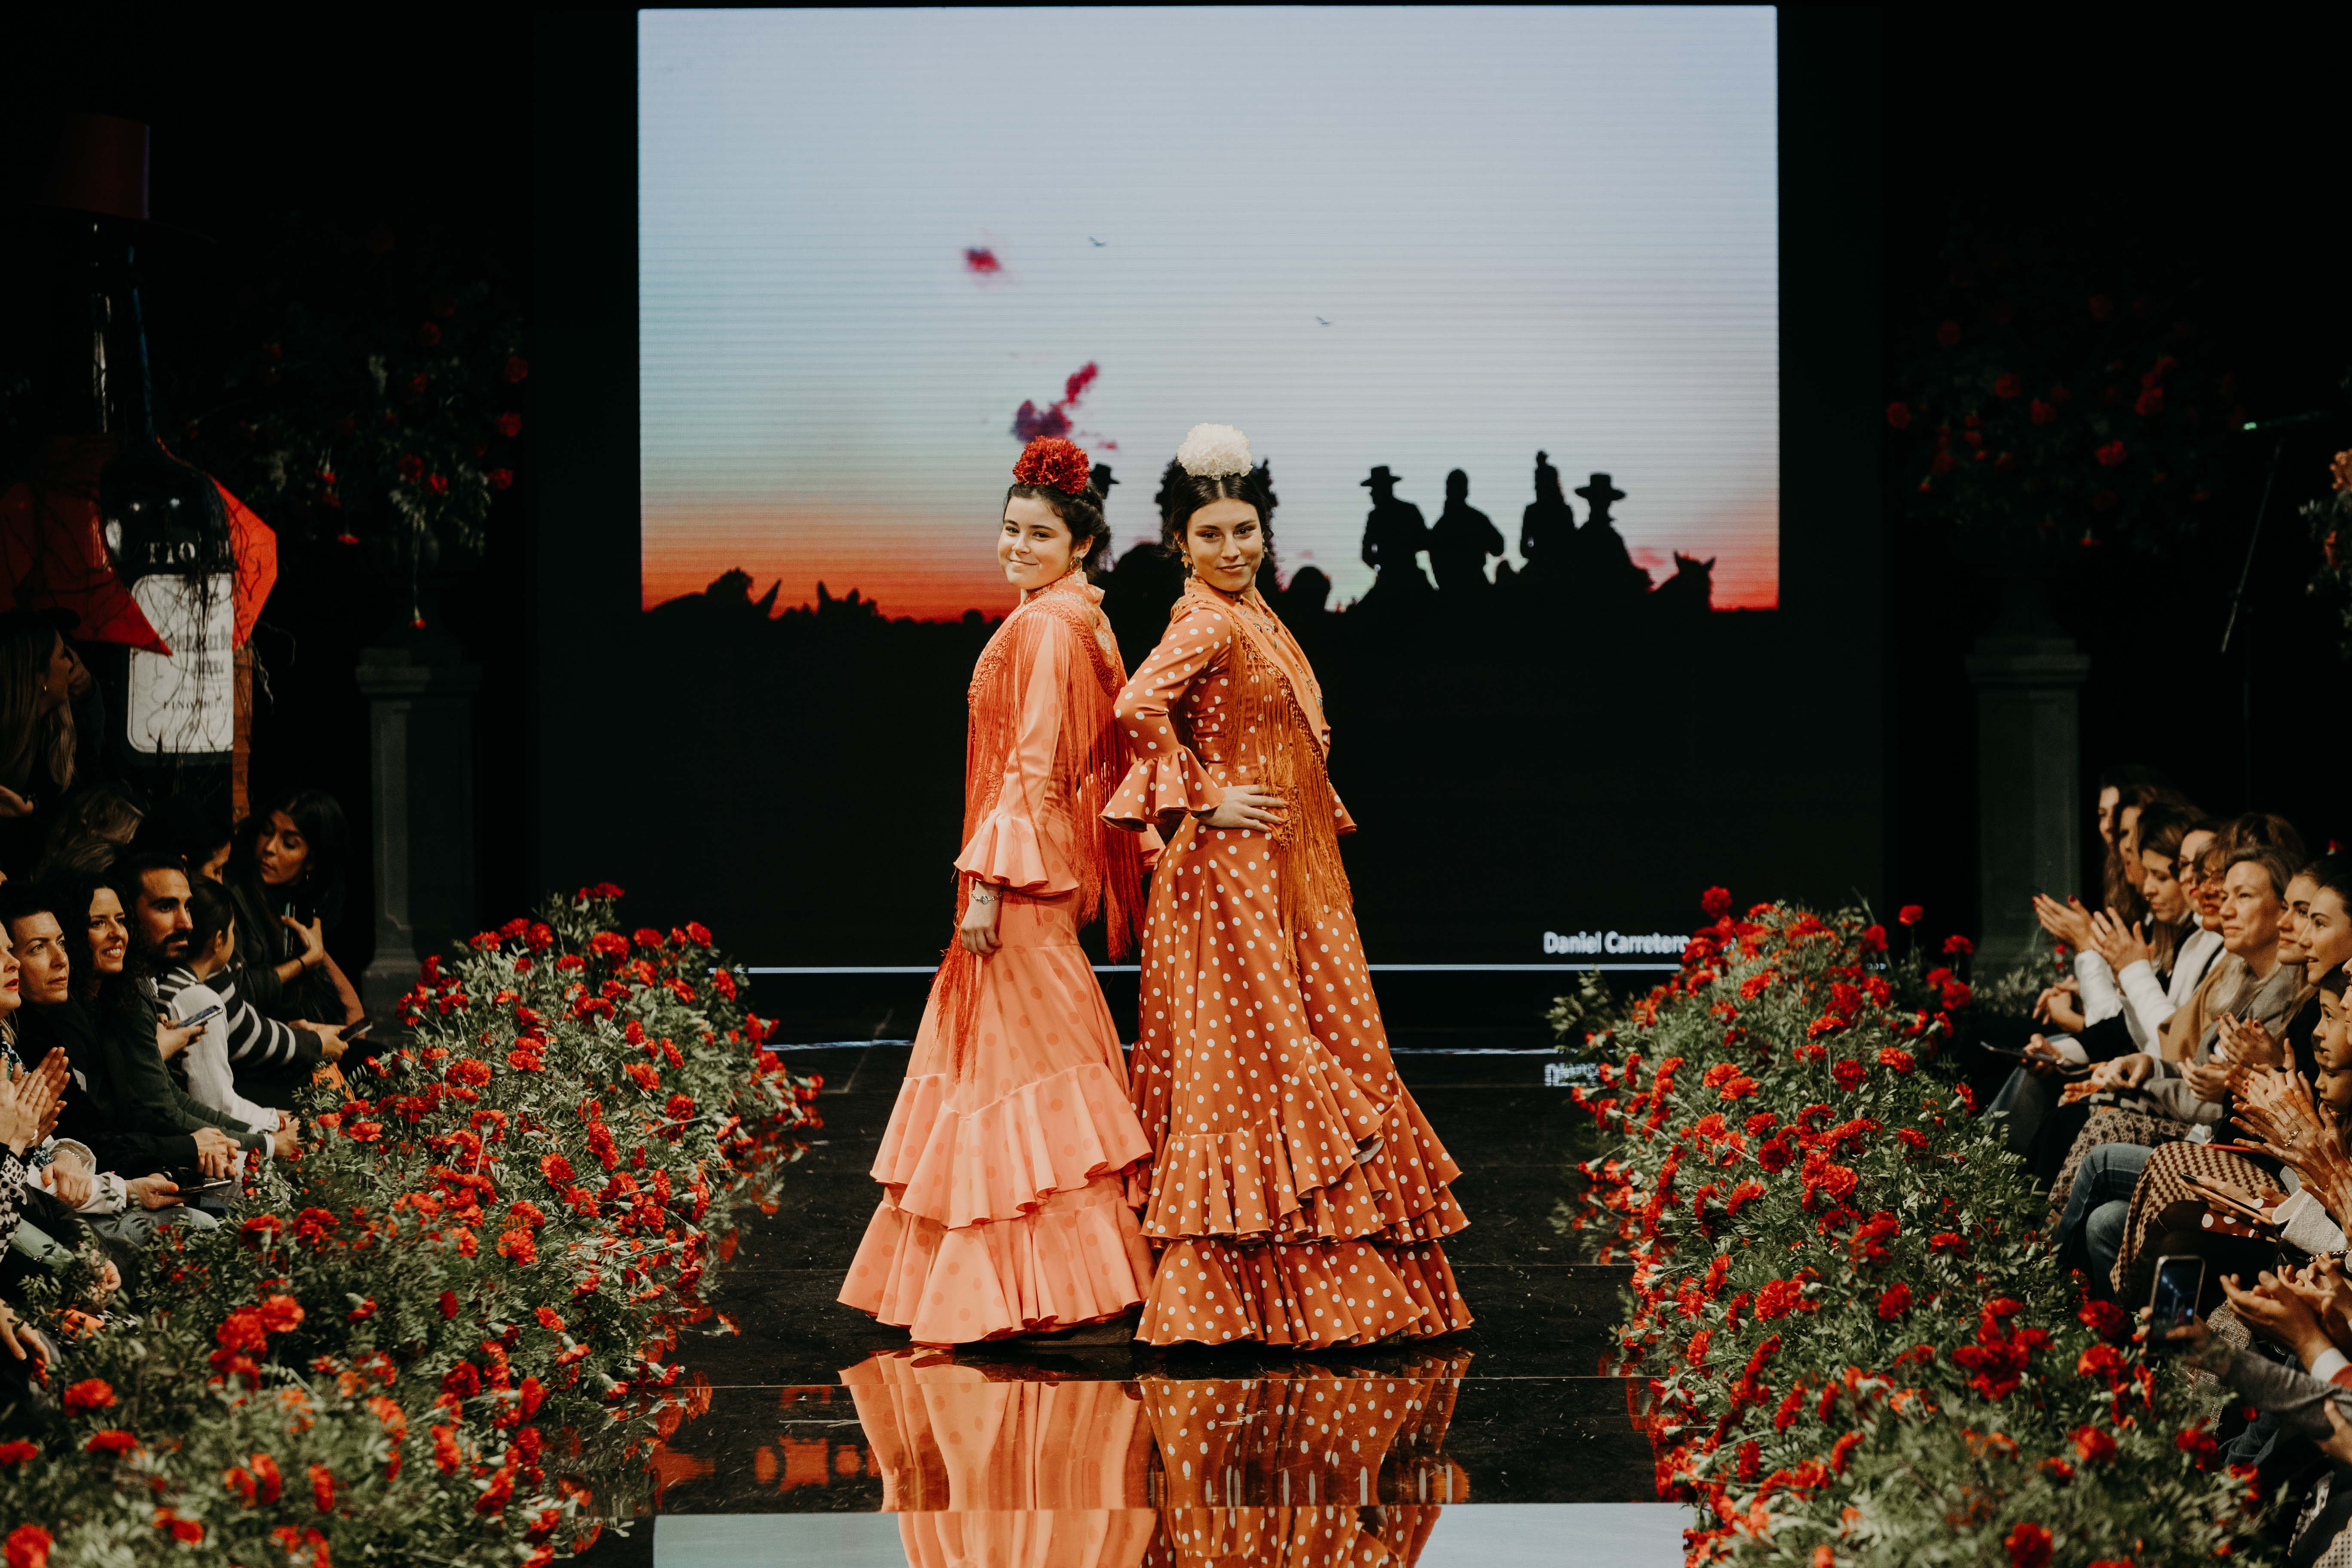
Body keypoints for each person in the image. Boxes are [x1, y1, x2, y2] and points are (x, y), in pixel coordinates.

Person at [1105, 421, 1471, 1349]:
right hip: (1235, 881)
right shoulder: (1204, 617)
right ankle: (1251, 1297)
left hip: (1289, 871)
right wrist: (1206, 797)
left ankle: (1310, 1285)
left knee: (1320, 1053)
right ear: (1181, 544)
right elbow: (1136, 704)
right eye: (1212, 536)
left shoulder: (1256, 611)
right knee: (1254, 1075)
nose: (1233, 549)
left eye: (1246, 530)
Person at [837, 435, 1157, 1347]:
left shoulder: (1051, 625)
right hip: (1031, 866)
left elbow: (1036, 760)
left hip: (1022, 876)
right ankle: (1056, 1278)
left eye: (1038, 535)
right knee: (1023, 1059)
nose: (1017, 547)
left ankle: (1026, 1286)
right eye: (1010, 530)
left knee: (1015, 1067)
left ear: (1078, 545)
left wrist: (986, 881)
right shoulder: (1073, 616)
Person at [2, 882, 212, 1247]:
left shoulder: (58, 1023)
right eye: (37, 948)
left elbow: (64, 1144)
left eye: (62, 943)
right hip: (45, 1221)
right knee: (204, 1225)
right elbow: (28, 1178)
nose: (60, 958)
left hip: (77, 1198)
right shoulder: (33, 1035)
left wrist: (63, 1153)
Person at [156, 879, 303, 1138]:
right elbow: (216, 1104)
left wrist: (272, 1115)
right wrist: (278, 1122)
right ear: (219, 939)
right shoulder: (200, 999)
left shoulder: (166, 980)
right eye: (233, 931)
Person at [225, 789, 364, 1029]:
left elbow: (356, 1020)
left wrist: (318, 956)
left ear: (311, 860)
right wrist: (305, 962)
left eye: (289, 844)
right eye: (267, 832)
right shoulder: (234, 895)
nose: (269, 848)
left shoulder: (296, 907)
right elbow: (235, 991)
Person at [1358, 465, 1433, 599]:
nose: (1372, 493)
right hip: (1411, 578)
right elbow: (1425, 542)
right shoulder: (1410, 510)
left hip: (1389, 580)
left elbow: (1366, 554)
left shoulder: (1375, 517)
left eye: (1374, 489)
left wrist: (1382, 564)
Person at [1427, 469, 1504, 594]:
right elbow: (1498, 548)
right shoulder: (1477, 520)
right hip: (1476, 587)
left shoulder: (1440, 527)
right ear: (1466, 491)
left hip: (1450, 590)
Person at [1517, 450, 1576, 578]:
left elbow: (1524, 549)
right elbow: (1573, 546)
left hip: (1538, 572)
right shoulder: (1565, 511)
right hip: (1562, 572)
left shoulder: (1531, 512)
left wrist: (1538, 553)